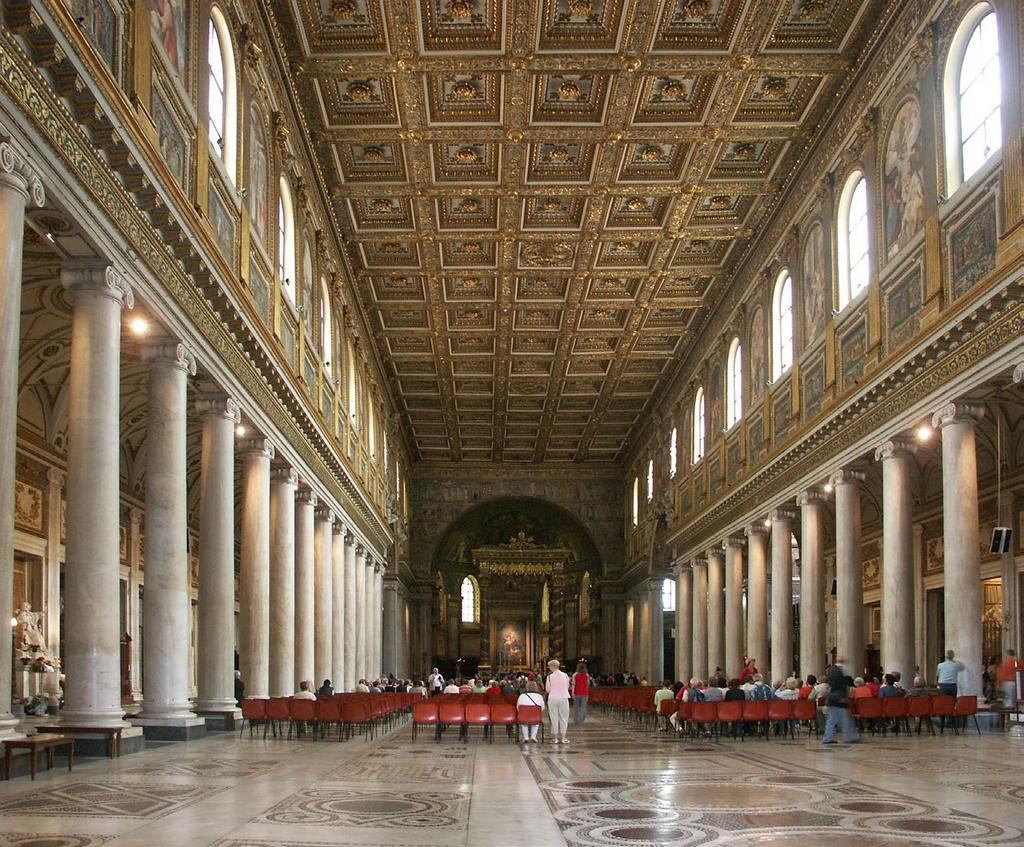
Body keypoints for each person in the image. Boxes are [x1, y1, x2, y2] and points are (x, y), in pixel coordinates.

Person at [823, 657, 859, 745]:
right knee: (845, 719)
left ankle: (827, 738)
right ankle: (850, 736)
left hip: (832, 697)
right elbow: (850, 682)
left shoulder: (831, 671)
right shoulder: (842, 670)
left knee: (832, 720)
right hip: (840, 697)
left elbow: (829, 683)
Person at [545, 659, 572, 744]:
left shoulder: (549, 677)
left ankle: (555, 738)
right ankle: (563, 738)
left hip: (552, 699)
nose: (549, 668)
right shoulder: (565, 676)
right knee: (564, 718)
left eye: (549, 667)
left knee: (554, 718)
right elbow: (567, 687)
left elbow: (547, 689)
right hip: (564, 698)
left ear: (553, 666)